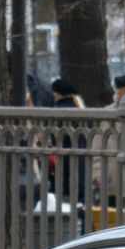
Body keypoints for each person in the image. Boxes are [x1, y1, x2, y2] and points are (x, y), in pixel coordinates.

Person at [49, 78, 90, 214]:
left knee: (62, 204)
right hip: (81, 161)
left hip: (62, 162)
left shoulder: (57, 111)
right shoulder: (80, 109)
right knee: (80, 202)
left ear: (57, 93)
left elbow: (53, 136)